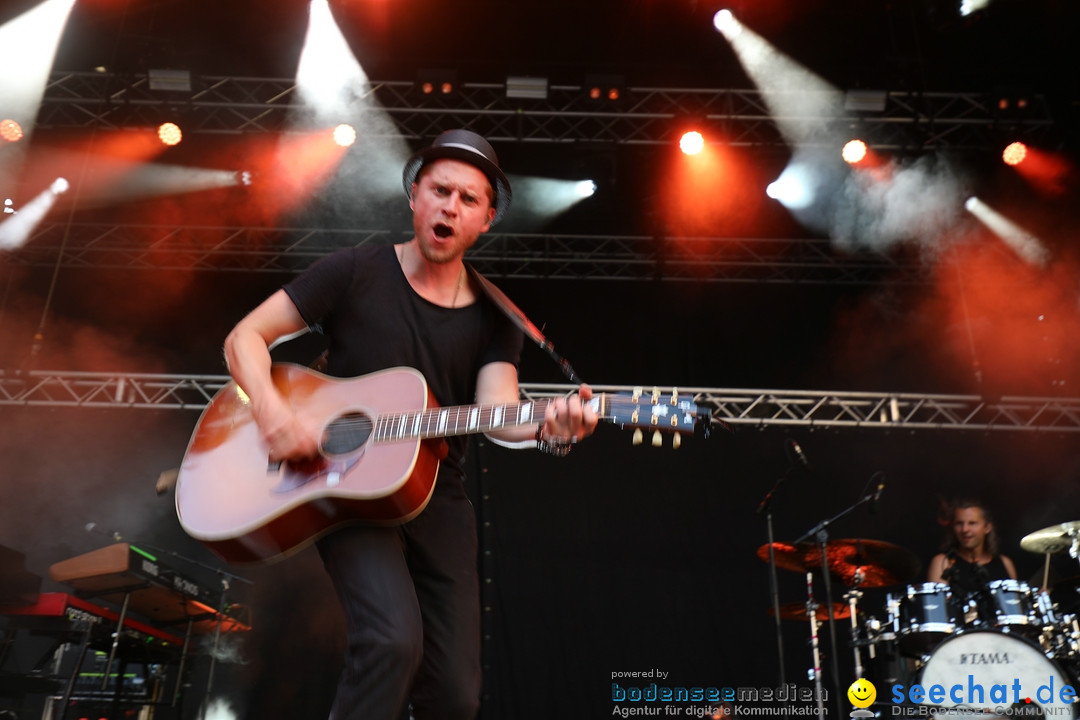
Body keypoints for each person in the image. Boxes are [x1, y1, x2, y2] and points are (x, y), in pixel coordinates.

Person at [222, 129, 598, 720]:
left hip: (435, 494)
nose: (450, 206)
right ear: (414, 197)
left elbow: (500, 413)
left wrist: (552, 433)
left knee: (454, 694)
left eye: (468, 199)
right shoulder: (353, 271)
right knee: (392, 641)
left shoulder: (497, 318)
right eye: (439, 190)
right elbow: (245, 337)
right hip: (345, 488)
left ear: (485, 221)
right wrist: (272, 414)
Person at [926, 499, 1017, 597]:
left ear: (987, 527)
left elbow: (1015, 604)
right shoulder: (942, 562)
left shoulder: (1005, 563)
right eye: (959, 523)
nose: (965, 529)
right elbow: (939, 608)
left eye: (972, 523)